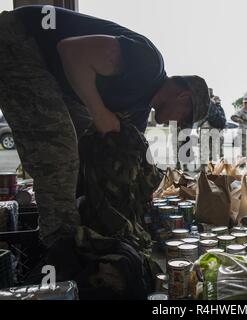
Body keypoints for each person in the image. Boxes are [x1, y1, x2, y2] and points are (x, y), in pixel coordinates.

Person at [0, 6, 210, 247]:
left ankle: (85, 225)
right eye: (183, 120)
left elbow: (124, 154)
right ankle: (61, 252)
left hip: (51, 71)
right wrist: (99, 112)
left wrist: (142, 196)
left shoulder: (140, 108)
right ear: (183, 98)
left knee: (87, 143)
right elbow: (70, 51)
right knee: (60, 156)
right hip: (18, 41)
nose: (176, 125)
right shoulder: (148, 65)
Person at [199, 94, 227, 165]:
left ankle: (204, 167)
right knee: (214, 150)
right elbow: (223, 121)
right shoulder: (218, 107)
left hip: (205, 129)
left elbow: (200, 118)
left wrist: (199, 126)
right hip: (215, 130)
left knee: (204, 149)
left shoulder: (206, 105)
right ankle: (215, 166)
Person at [231, 93, 247, 157]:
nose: (246, 104)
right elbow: (232, 117)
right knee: (244, 149)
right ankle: (242, 163)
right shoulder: (240, 111)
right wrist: (239, 120)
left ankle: (243, 160)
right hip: (242, 132)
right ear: (243, 103)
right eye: (245, 103)